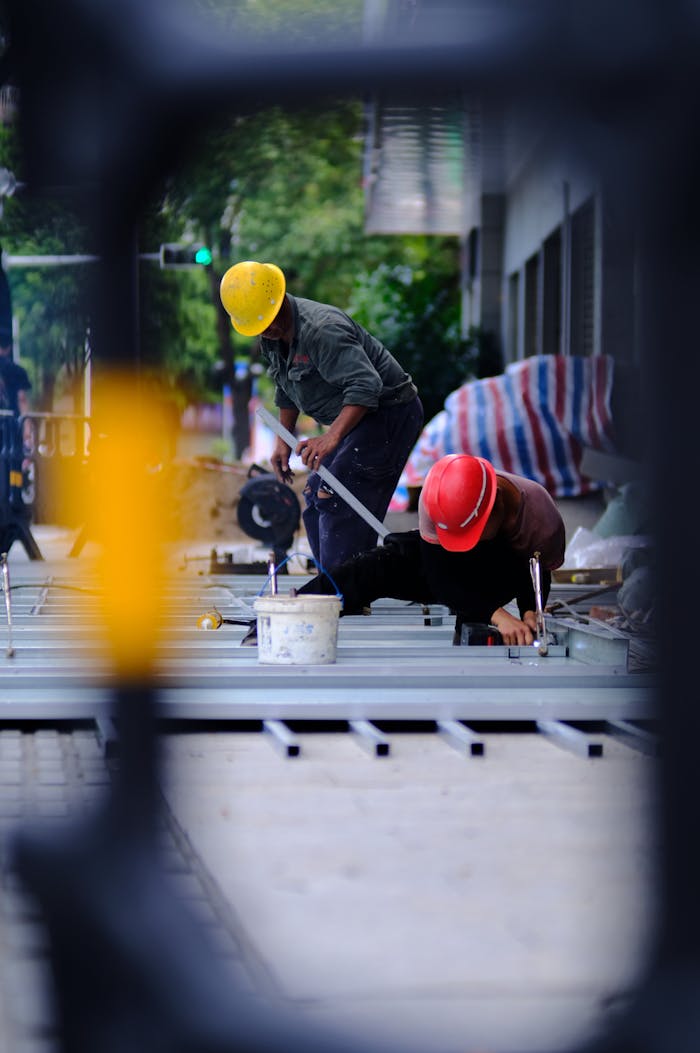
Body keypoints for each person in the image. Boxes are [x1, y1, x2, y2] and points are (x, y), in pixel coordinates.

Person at [219, 261, 424, 572]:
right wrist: (282, 442)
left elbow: (366, 385)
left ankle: (343, 587)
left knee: (336, 491)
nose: (268, 329)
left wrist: (331, 437)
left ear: (280, 295)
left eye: (271, 320)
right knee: (317, 490)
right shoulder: (271, 337)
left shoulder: (322, 330)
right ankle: (340, 579)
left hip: (389, 413)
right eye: (260, 326)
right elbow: (287, 388)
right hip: (360, 420)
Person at [242, 453, 566, 647]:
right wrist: (498, 615)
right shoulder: (436, 498)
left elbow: (536, 572)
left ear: (495, 507)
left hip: (498, 567)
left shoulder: (540, 518)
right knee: (370, 568)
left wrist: (528, 613)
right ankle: (284, 619)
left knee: (486, 597)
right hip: (443, 561)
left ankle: (478, 614)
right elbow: (442, 577)